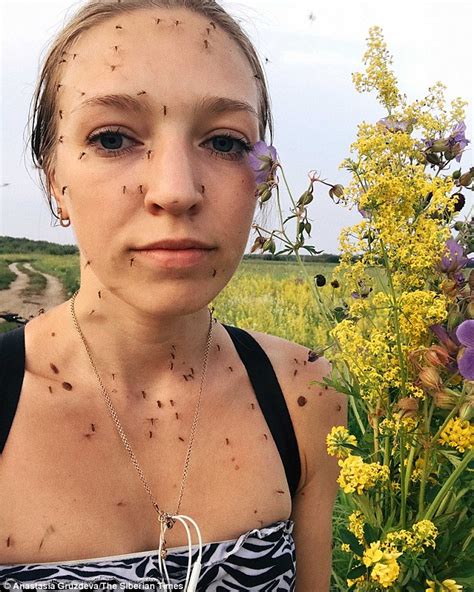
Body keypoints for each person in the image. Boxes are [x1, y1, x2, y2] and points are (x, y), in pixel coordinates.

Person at [0, 1, 347, 590]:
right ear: (53, 175)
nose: (176, 191)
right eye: (113, 137)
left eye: (225, 142)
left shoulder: (307, 395)